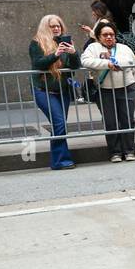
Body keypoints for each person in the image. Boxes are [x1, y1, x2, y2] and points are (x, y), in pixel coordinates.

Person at [82, 21, 135, 162]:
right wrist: (107, 64)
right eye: (105, 35)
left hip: (127, 88)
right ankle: (115, 152)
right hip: (105, 91)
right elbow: (85, 61)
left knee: (127, 120)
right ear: (98, 36)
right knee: (110, 122)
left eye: (111, 34)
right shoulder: (93, 48)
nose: (109, 37)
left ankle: (129, 151)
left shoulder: (124, 48)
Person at [29, 14, 80, 169]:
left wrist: (73, 53)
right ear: (46, 27)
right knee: (59, 123)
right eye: (52, 26)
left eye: (58, 25)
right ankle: (61, 161)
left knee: (60, 125)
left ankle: (58, 160)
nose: (57, 28)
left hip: (62, 91)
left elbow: (75, 67)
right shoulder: (36, 43)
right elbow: (38, 64)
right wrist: (55, 54)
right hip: (43, 90)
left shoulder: (65, 41)